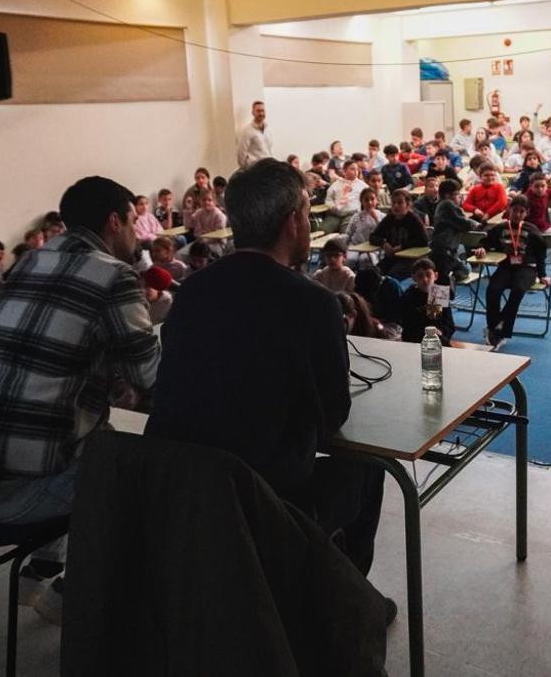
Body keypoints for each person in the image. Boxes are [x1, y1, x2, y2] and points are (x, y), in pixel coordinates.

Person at [146, 159, 387, 594]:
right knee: (368, 467)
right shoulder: (313, 303)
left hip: (183, 491)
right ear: (294, 221)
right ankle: (346, 605)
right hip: (264, 501)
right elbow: (332, 416)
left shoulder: (194, 292)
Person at [0, 175, 160, 624]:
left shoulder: (32, 260)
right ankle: (74, 594)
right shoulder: (114, 274)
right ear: (114, 222)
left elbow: (41, 352)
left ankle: (39, 571)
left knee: (88, 430)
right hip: (11, 493)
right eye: (135, 221)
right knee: (134, 467)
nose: (138, 233)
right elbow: (152, 376)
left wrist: (106, 376)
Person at [477, 195, 550, 349]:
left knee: (518, 290)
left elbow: (540, 254)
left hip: (527, 268)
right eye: (514, 210)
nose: (517, 214)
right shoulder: (500, 228)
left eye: (521, 211)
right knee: (493, 289)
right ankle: (493, 327)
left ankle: (499, 330)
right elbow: (486, 241)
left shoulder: (532, 230)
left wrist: (543, 274)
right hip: (506, 267)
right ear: (509, 210)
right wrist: (482, 247)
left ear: (526, 213)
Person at [429, 178, 482, 282]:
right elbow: (464, 223)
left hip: (441, 249)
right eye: (457, 194)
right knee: (443, 281)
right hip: (445, 251)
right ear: (448, 195)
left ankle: (451, 278)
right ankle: (451, 280)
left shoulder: (441, 205)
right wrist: (477, 225)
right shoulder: (449, 204)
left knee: (458, 271)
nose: (460, 197)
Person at [369, 190, 428, 279]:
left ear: (407, 205)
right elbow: (373, 236)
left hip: (408, 259)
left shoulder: (413, 219)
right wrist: (383, 243)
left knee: (391, 277)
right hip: (391, 257)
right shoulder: (389, 218)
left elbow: (424, 240)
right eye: (393, 203)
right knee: (373, 274)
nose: (396, 206)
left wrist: (402, 246)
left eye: (400, 203)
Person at [401, 257, 455, 346]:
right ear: (413, 278)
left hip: (437, 337)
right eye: (420, 276)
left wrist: (441, 331)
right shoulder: (409, 296)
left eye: (428, 275)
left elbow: (449, 324)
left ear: (436, 276)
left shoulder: (438, 294)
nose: (425, 279)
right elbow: (407, 325)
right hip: (414, 339)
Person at [323, 160, 366, 234]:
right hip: (335, 214)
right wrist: (332, 206)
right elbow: (328, 199)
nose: (356, 171)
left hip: (351, 214)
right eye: (352, 169)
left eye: (357, 169)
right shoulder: (336, 184)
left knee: (346, 232)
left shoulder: (362, 186)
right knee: (323, 231)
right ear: (344, 170)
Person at [236, 100, 273, 169]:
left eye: (263, 111)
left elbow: (269, 149)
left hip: (268, 167)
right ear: (253, 112)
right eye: (258, 111)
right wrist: (247, 169)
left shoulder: (268, 130)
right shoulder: (247, 131)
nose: (261, 113)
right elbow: (241, 153)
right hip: (255, 169)